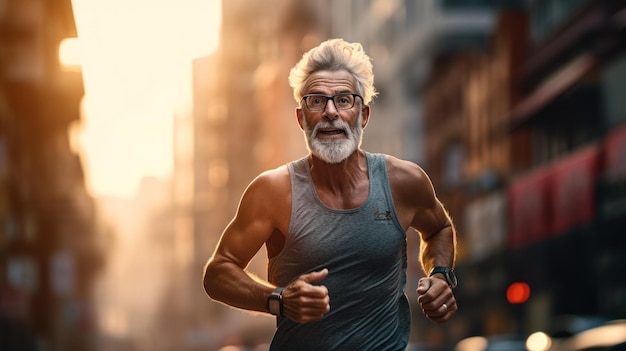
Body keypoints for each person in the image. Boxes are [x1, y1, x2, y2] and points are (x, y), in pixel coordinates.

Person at [203, 38, 458, 350]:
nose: (330, 112)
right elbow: (218, 272)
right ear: (301, 118)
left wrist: (442, 275)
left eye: (343, 100)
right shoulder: (272, 191)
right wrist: (278, 300)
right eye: (316, 101)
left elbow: (440, 229)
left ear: (363, 115)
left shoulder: (403, 181)